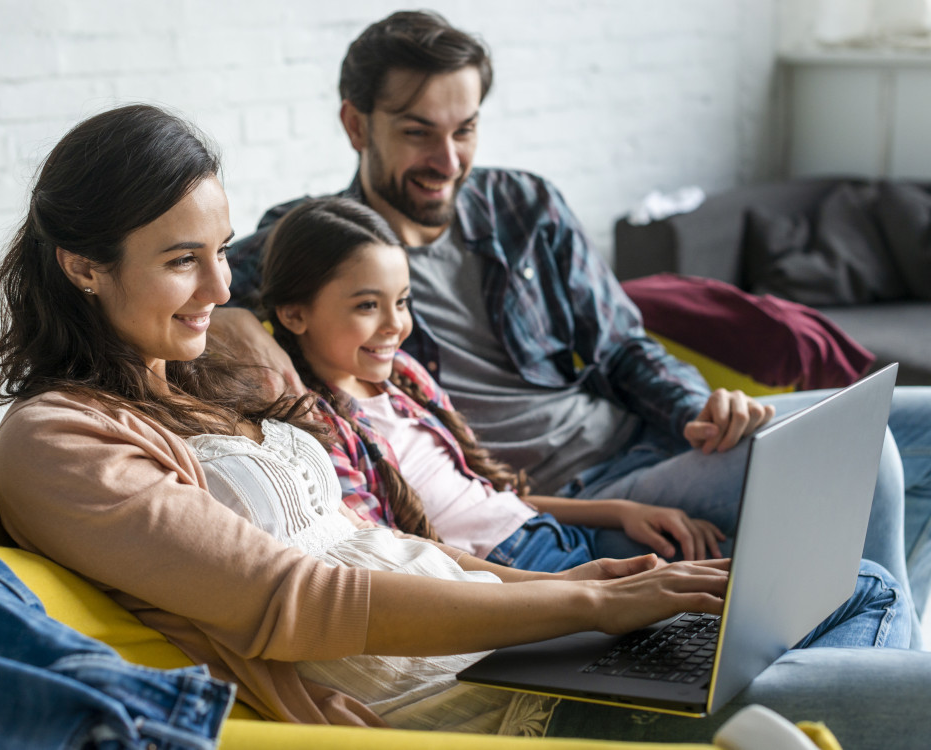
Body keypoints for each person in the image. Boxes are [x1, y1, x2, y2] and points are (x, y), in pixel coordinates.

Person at [0, 103, 931, 748]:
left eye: (222, 252)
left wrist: (551, 582)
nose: (223, 287)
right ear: (81, 266)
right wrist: (585, 610)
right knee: (896, 681)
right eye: (184, 260)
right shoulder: (59, 442)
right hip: (464, 697)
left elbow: (373, 537)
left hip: (514, 636)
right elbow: (296, 600)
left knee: (865, 586)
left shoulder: (208, 370)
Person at [222, 10, 931, 635]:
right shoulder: (320, 247)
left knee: (919, 426)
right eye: (417, 133)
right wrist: (247, 330)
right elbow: (201, 295)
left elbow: (622, 345)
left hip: (657, 441)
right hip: (570, 493)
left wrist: (695, 409)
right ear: (356, 124)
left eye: (464, 130)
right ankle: (878, 659)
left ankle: (891, 643)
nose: (447, 161)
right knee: (865, 459)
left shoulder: (525, 205)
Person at [259, 196, 726, 566]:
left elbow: (493, 502)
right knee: (701, 604)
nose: (395, 326)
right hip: (509, 570)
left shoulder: (404, 378)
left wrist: (624, 512)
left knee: (725, 569)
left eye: (402, 302)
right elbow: (388, 554)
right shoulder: (316, 429)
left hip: (548, 532)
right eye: (367, 306)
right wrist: (569, 593)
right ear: (295, 313)